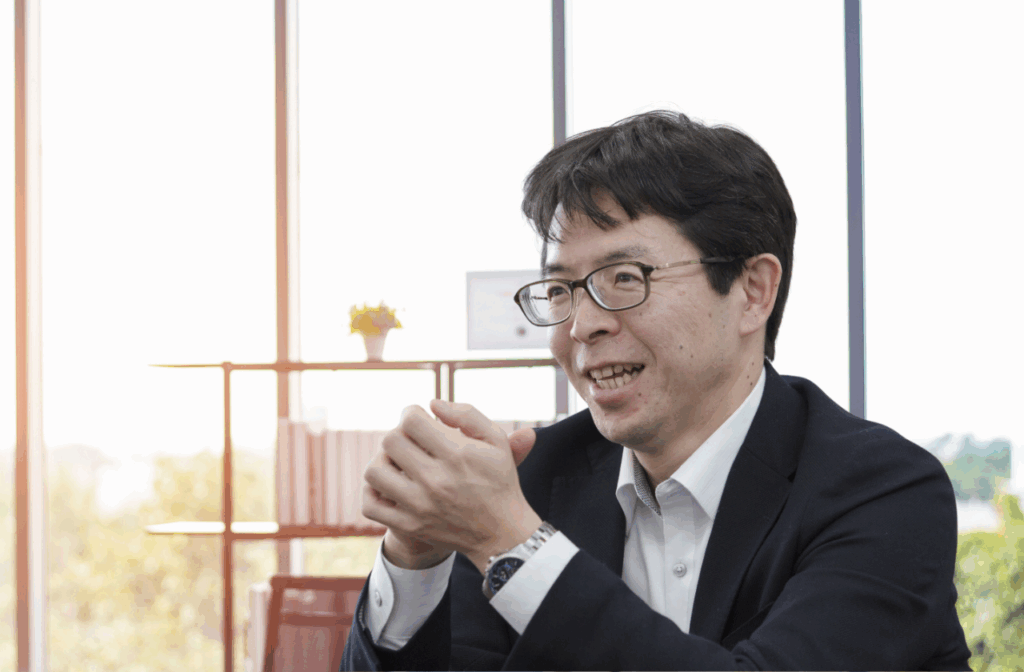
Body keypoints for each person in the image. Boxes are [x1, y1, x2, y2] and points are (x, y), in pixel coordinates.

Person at [341, 111, 971, 670]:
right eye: (561, 290)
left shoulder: (884, 492)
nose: (582, 325)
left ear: (752, 291)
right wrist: (415, 556)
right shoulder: (534, 480)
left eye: (624, 277)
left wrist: (513, 545)